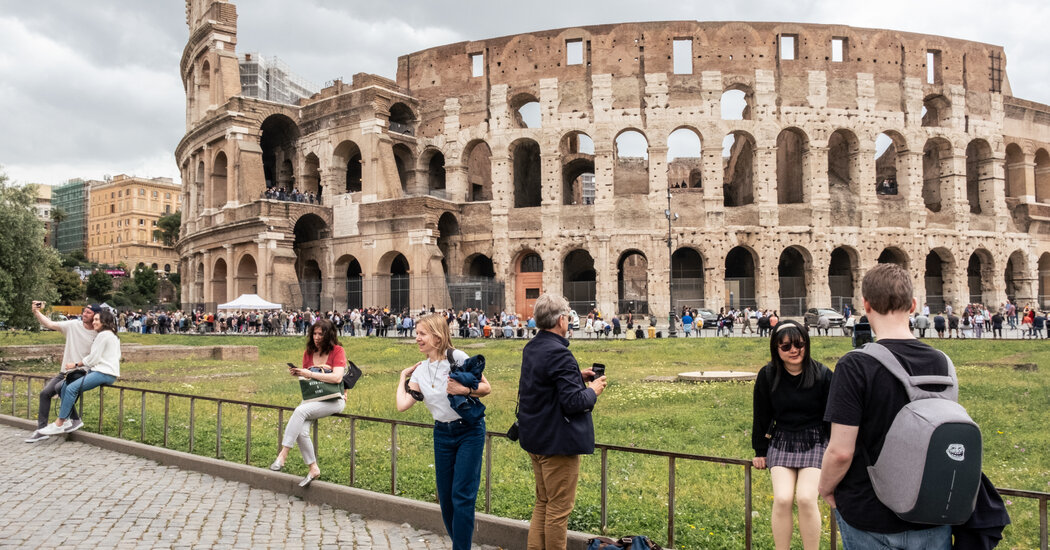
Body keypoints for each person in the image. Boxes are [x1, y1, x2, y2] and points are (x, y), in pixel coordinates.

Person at [819, 263, 955, 547]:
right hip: (930, 508)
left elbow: (841, 451)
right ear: (914, 305)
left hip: (870, 512)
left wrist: (826, 487)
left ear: (865, 306)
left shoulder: (855, 365)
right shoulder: (942, 362)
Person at [517, 293, 606, 550]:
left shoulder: (532, 347)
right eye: (567, 316)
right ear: (561, 320)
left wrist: (576, 375)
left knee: (543, 503)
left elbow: (543, 382)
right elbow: (574, 403)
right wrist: (594, 390)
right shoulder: (560, 353)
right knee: (558, 510)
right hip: (556, 444)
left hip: (535, 437)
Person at [396, 314, 490, 550]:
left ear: (437, 337)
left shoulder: (456, 358)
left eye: (422, 334)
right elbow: (402, 405)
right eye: (416, 333)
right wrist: (402, 378)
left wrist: (465, 389)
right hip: (442, 434)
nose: (417, 338)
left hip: (469, 431)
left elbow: (486, 387)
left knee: (462, 496)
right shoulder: (420, 371)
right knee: (447, 501)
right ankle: (460, 544)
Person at [752, 320, 833, 550]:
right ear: (776, 349)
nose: (793, 350)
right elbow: (762, 414)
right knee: (783, 499)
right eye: (785, 347)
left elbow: (833, 415)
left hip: (816, 440)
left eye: (798, 344)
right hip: (782, 439)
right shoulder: (768, 375)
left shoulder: (823, 374)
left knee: (806, 498)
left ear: (806, 344)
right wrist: (760, 450)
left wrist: (834, 448)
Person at [269, 319, 347, 488]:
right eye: (315, 333)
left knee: (299, 412)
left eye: (321, 334)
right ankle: (313, 468)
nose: (317, 337)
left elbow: (337, 377)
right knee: (302, 432)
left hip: (333, 399)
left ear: (329, 335)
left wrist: (311, 373)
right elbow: (307, 378)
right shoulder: (308, 352)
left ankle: (283, 455)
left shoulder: (337, 351)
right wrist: (299, 373)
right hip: (313, 397)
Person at [38, 310, 121, 436]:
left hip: (104, 372)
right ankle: (70, 420)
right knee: (62, 386)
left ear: (105, 321)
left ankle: (59, 423)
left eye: (97, 320)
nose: (94, 322)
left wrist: (76, 365)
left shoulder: (103, 335)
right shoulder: (111, 335)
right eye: (94, 320)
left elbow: (93, 358)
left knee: (71, 389)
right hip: (105, 372)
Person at [25, 302, 100, 442]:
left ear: (96, 315)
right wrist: (36, 312)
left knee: (63, 391)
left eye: (88, 312)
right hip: (65, 372)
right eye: (84, 311)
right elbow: (50, 324)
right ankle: (42, 430)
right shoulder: (73, 325)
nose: (84, 314)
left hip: (81, 373)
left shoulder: (99, 333)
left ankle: (72, 420)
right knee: (45, 393)